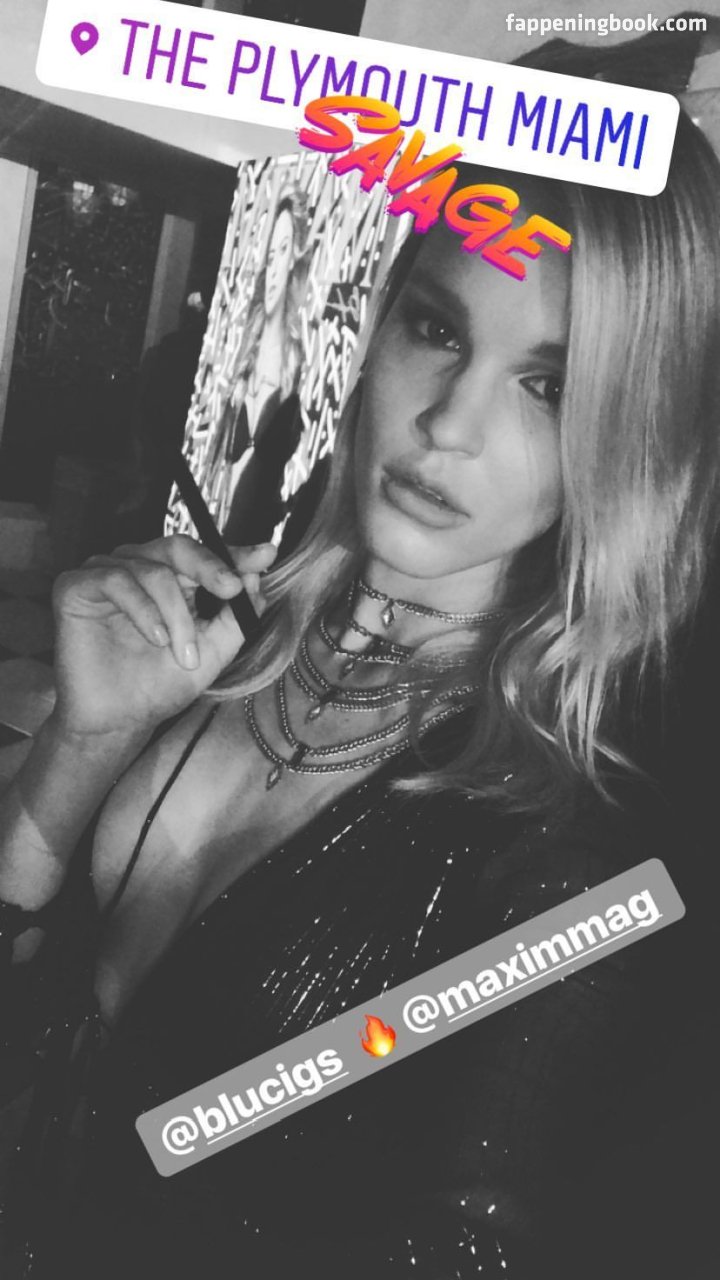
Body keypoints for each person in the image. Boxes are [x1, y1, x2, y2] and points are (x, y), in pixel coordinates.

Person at [1, 91, 719, 1279]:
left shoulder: (562, 856)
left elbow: (468, 1243)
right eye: (439, 328)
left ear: (632, 436)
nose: (447, 424)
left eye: (549, 385)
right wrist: (83, 742)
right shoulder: (221, 642)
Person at [214, 181, 311, 545]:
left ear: (295, 257)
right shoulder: (245, 352)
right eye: (270, 255)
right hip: (213, 539)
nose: (273, 268)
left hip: (251, 548)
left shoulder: (295, 363)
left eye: (283, 250)